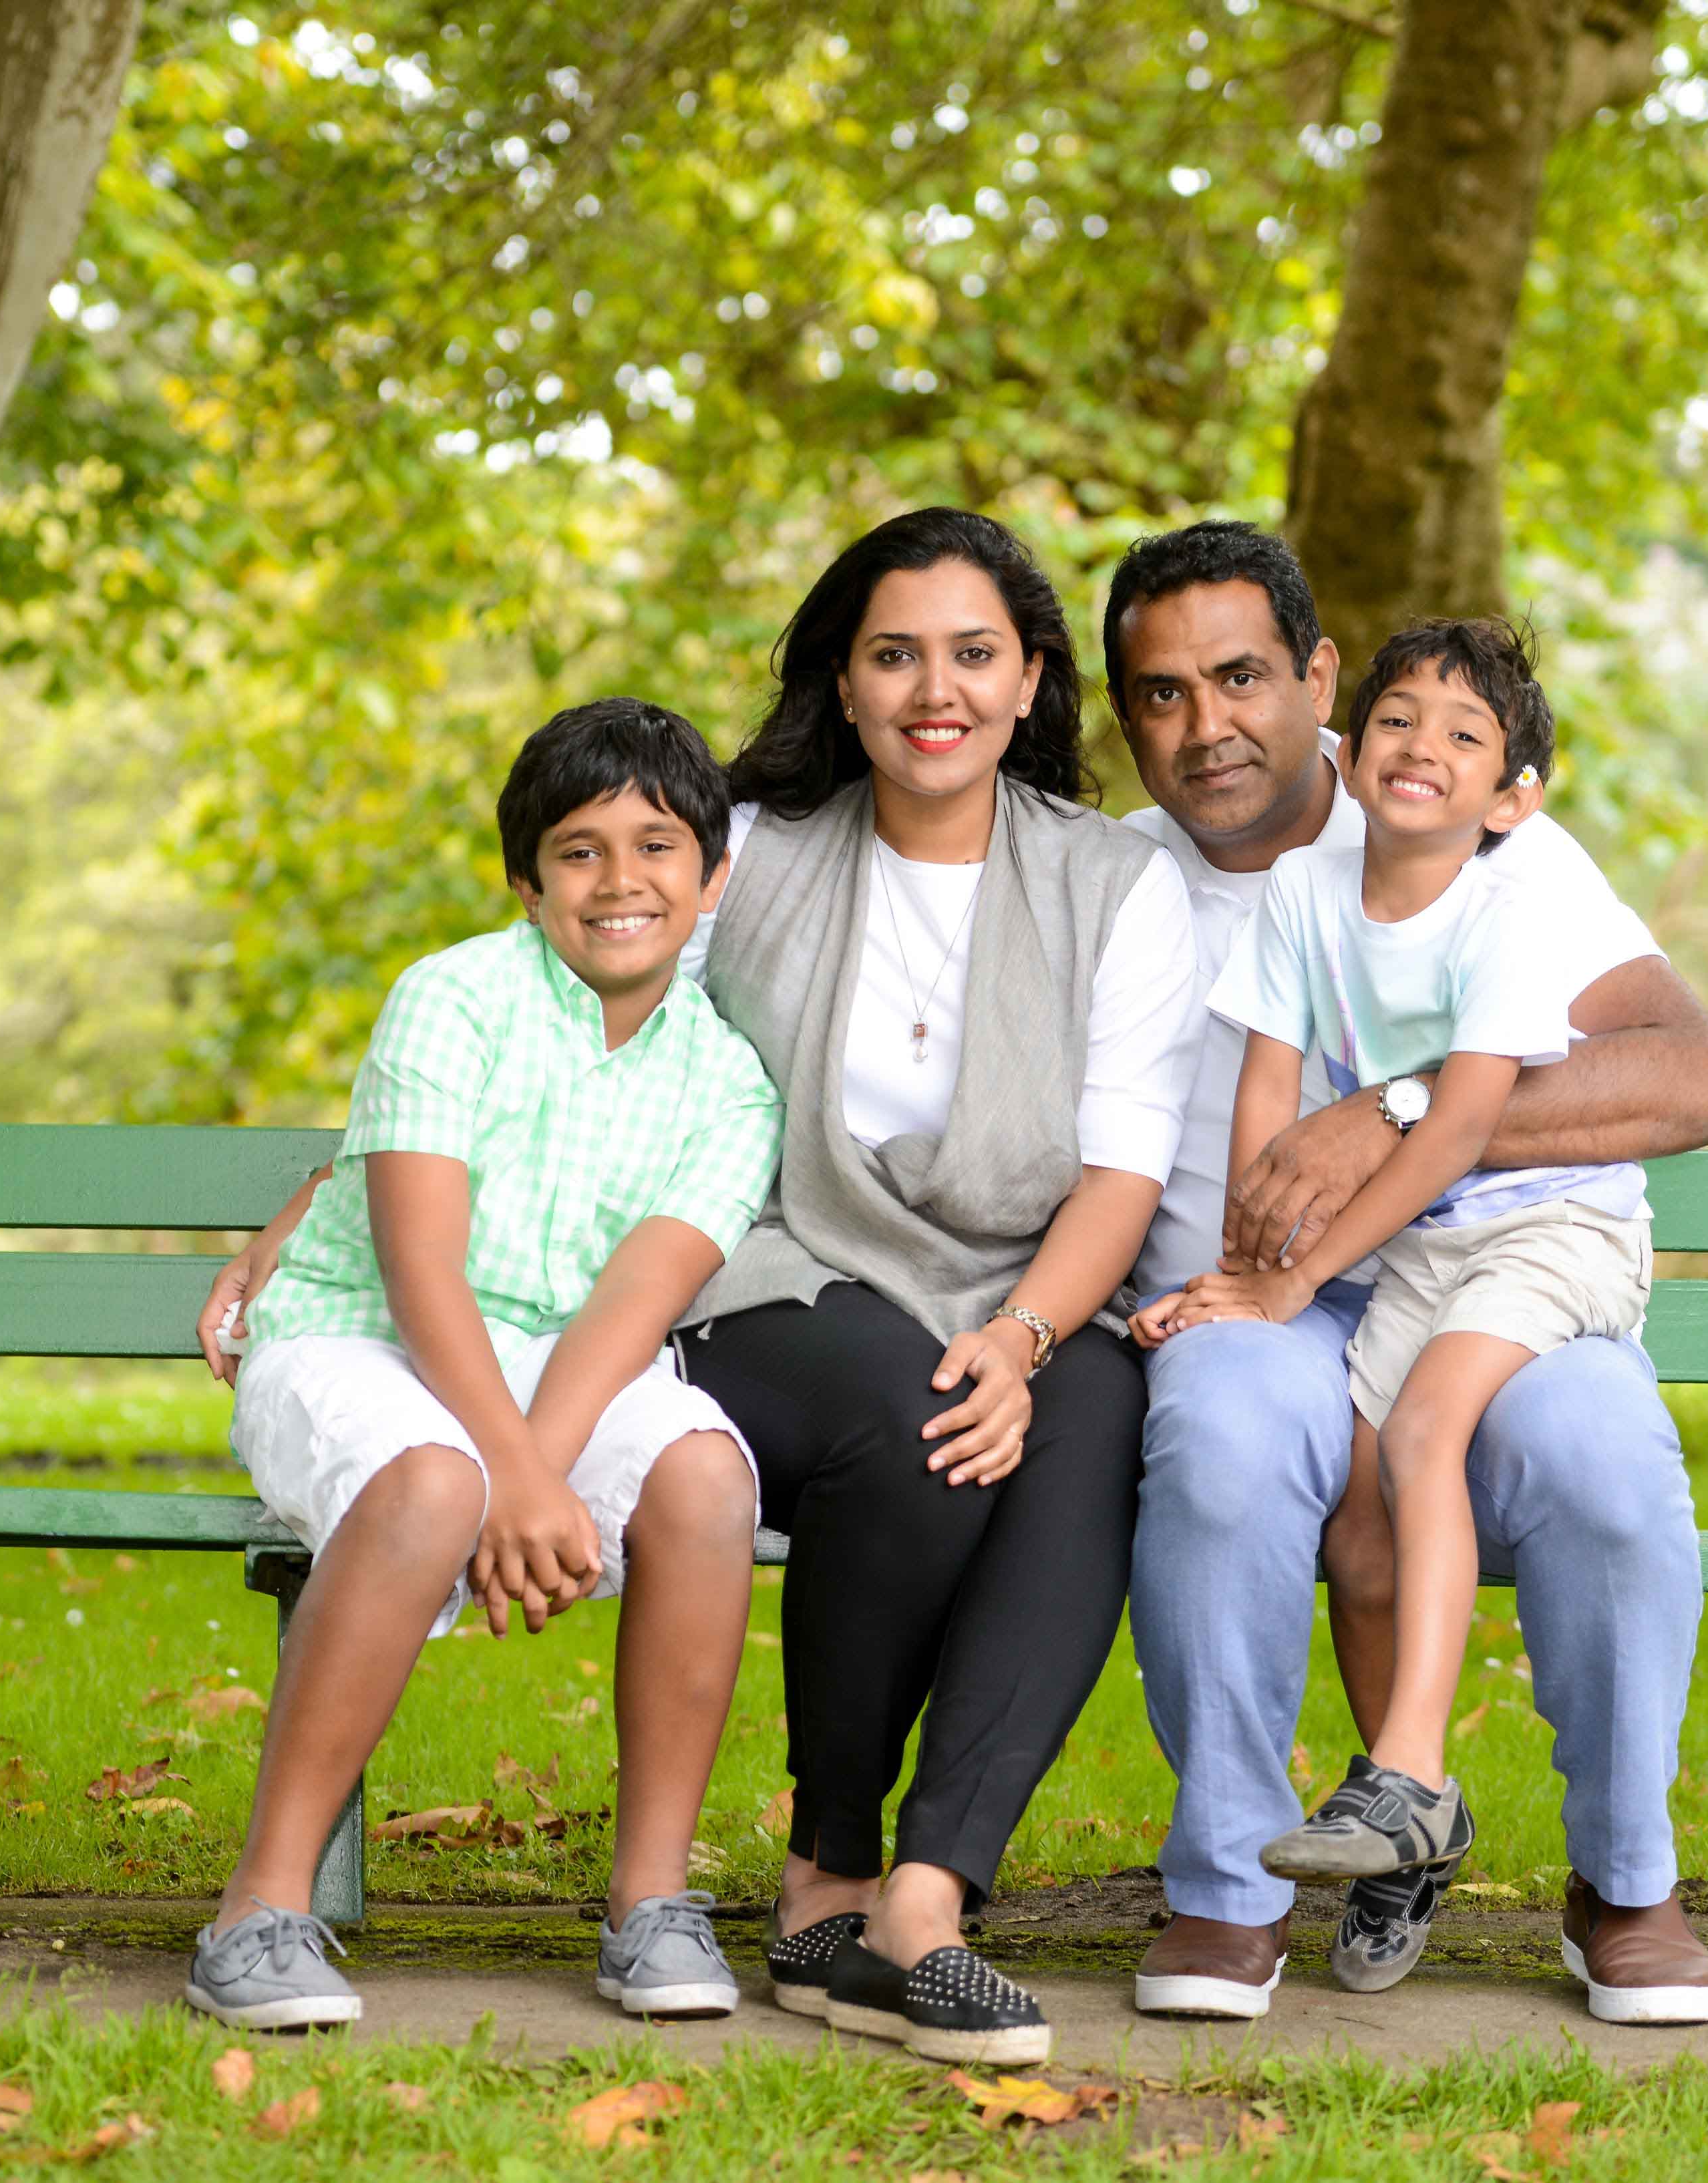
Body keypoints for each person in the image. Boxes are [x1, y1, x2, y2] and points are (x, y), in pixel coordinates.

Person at [207, 508, 1203, 2066]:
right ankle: (826, 1875)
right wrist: (317, 1198)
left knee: (1093, 1411)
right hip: (786, 1271)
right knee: (905, 1408)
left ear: (1028, 682)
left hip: (1021, 1282)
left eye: (971, 653)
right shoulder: (749, 842)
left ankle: (924, 1906)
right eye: (892, 654)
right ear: (845, 680)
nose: (931, 687)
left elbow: (1125, 1168)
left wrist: (1021, 1334)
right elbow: (564, 969)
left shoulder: (1110, 881)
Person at [1107, 524, 1708, 2028]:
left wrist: (1388, 1106)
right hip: (1259, 1291)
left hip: (1493, 1261)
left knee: (1601, 1455)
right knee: (1225, 1430)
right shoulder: (1106, 874)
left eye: (1245, 676)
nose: (1208, 726)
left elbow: (1694, 1075)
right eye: (1161, 693)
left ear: (1320, 676)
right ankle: (1231, 1882)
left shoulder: (1469, 825)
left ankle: (1626, 1878)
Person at [184, 697, 783, 2033]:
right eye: (578, 850)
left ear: (713, 876)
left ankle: (651, 1903)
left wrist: (543, 1462)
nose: (620, 880)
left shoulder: (731, 1081)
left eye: (657, 845)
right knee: (432, 1482)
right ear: (525, 880)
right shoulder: (454, 995)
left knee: (701, 1474)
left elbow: (639, 1297)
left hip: (562, 1358)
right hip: (361, 1330)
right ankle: (260, 1911)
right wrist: (508, 1472)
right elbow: (418, 1268)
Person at [1138, 615, 1658, 1908]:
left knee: (1427, 1430)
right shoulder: (1308, 893)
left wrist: (1300, 1281)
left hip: (1547, 1232)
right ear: (1352, 748)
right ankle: (1398, 1846)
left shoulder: (1508, 913)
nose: (1423, 747)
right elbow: (1271, 1087)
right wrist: (1249, 1267)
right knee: (1363, 1512)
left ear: (1513, 799)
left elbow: (1451, 1134)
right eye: (1400, 723)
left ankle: (1414, 1773)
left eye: (1465, 736)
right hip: (1427, 1251)